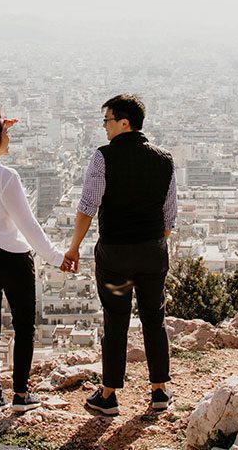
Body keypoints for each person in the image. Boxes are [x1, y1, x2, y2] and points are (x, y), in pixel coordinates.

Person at [0, 111, 74, 415]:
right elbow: (28, 225)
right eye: (5, 135)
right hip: (13, 258)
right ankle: (21, 393)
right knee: (23, 327)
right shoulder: (7, 177)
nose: (9, 138)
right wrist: (56, 257)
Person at [65, 94, 177, 416]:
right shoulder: (164, 159)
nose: (104, 127)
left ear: (124, 123)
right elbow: (169, 215)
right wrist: (152, 242)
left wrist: (74, 247)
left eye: (108, 120)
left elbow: (88, 206)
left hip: (115, 256)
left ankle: (109, 394)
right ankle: (159, 390)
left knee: (116, 320)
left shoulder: (103, 157)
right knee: (154, 318)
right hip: (152, 253)